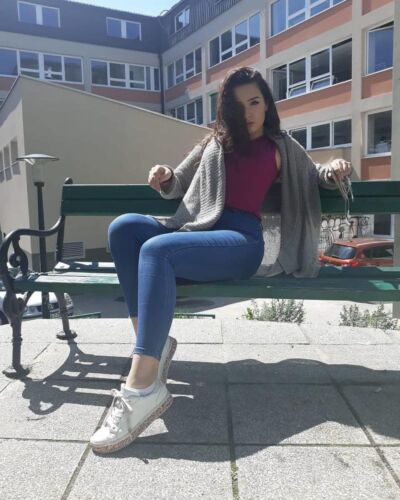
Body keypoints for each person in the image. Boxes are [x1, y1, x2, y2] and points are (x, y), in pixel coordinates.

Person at [90, 66, 352, 453]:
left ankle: (142, 386)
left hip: (240, 242)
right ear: (227, 109)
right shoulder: (215, 143)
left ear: (267, 105)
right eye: (238, 105)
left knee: (158, 250)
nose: (248, 112)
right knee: (124, 228)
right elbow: (178, 182)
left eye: (255, 102)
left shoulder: (282, 146)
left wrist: (336, 168)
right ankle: (152, 345)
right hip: (197, 230)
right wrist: (163, 175)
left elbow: (315, 175)